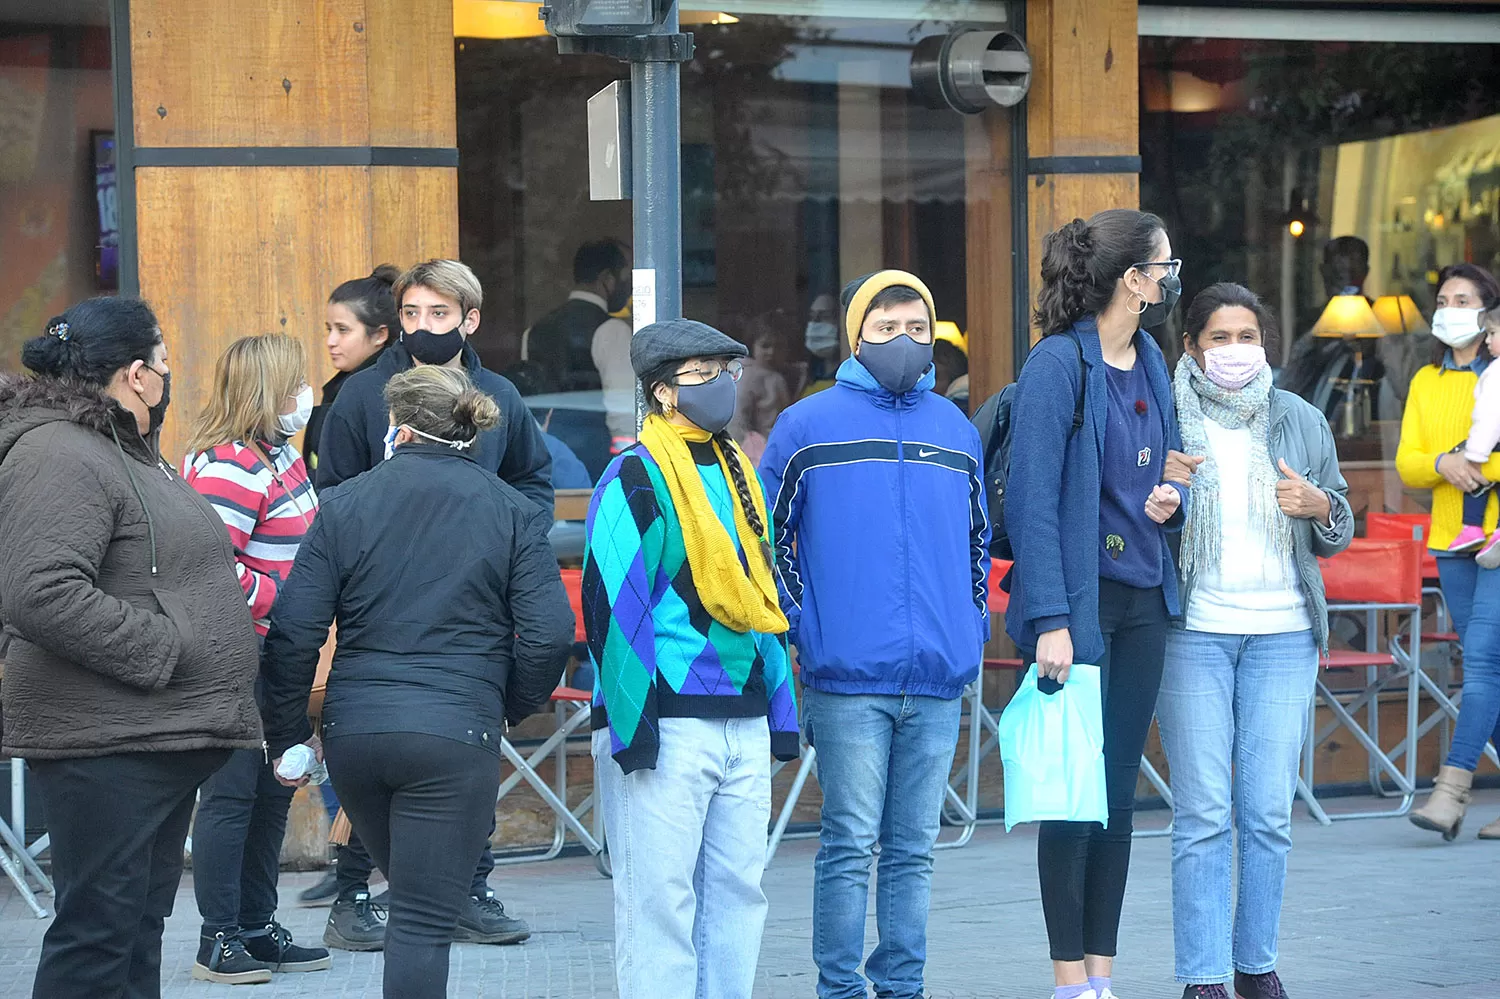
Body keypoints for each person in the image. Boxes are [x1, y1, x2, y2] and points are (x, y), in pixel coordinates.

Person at [260, 365, 574, 999]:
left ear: (396, 430)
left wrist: (291, 731)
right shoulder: (511, 509)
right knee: (423, 921)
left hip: (357, 733)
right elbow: (548, 637)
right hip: (457, 730)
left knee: (411, 902)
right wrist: (503, 704)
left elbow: (293, 632)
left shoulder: (344, 504)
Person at [0, 298, 263, 998]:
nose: (172, 378)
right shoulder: (58, 452)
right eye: (168, 362)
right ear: (139, 374)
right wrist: (165, 647)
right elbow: (40, 589)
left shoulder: (123, 451)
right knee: (96, 939)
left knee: (133, 932)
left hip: (150, 737)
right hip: (106, 744)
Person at [760, 270, 989, 999]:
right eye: (887, 327)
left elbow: (979, 538)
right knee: (850, 844)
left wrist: (970, 625)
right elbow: (768, 537)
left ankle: (903, 986)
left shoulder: (956, 429)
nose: (903, 340)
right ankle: (840, 988)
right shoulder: (807, 423)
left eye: (917, 328)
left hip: (937, 676)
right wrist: (803, 624)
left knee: (914, 849)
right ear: (858, 334)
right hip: (846, 675)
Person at [313, 257, 550, 945]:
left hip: (475, 606)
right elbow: (333, 489)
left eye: (439, 315)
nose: (423, 328)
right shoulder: (361, 395)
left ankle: (469, 891)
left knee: (470, 752)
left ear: (469, 319)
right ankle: (352, 894)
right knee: (379, 749)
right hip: (378, 606)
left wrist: (515, 543)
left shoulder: (499, 393)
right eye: (412, 315)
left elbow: (533, 480)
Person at [585, 318, 799, 999]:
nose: (721, 385)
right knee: (658, 907)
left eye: (725, 371)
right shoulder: (634, 475)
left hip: (742, 720)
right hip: (669, 723)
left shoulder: (740, 470)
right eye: (702, 373)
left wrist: (779, 709)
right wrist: (632, 727)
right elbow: (615, 607)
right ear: (662, 391)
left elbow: (762, 594)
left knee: (739, 899)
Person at [1004, 209, 1186, 999]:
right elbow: (1033, 503)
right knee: (1070, 795)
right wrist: (1050, 619)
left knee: (1116, 794)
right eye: (1165, 265)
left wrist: (1168, 495)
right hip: (1078, 606)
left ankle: (1103, 974)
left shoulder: (1149, 354)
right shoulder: (1056, 363)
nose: (1173, 276)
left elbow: (1151, 470)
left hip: (1145, 594)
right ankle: (1068, 979)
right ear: (1132, 280)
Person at [1156, 283, 1353, 999]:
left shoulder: (1299, 417)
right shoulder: (1166, 421)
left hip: (1284, 634)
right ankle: (1205, 974)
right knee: (1204, 808)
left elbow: (1338, 522)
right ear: (1191, 345)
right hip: (1195, 633)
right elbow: (1140, 519)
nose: (1235, 350)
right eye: (1219, 337)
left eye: (1248, 336)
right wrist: (1163, 502)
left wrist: (1321, 504)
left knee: (1268, 809)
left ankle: (1255, 961)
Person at [180, 334, 329, 984]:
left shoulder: (281, 458)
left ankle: (257, 925)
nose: (307, 394)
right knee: (233, 791)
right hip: (237, 652)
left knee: (274, 789)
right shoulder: (228, 464)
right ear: (267, 389)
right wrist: (284, 599)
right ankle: (218, 938)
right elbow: (209, 567)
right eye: (297, 381)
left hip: (281, 651)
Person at [1399, 262, 1500, 841]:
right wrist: (1444, 463)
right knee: (1486, 664)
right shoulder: (1425, 381)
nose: (1450, 307)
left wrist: (1475, 464)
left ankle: (1450, 791)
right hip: (1450, 539)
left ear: (1487, 315)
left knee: (1484, 661)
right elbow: (1408, 462)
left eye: (1464, 298)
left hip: (1495, 537)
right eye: (1443, 297)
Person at [304, 265, 397, 474]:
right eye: (329, 329)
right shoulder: (340, 386)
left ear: (380, 335)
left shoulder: (386, 393)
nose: (331, 341)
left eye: (343, 330)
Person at [1447, 307, 1500, 564]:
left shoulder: (1496, 372)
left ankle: (1471, 526)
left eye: (1492, 333)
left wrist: (1475, 454)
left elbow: (1489, 416)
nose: (1487, 340)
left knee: (1469, 468)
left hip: (1493, 442)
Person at [729, 315, 792, 464]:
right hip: (757, 454)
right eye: (765, 345)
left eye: (779, 346)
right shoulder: (755, 376)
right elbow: (737, 421)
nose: (772, 352)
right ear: (752, 345)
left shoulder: (738, 371)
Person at [798, 291, 841, 398]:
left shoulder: (850, 371)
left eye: (825, 316)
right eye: (812, 316)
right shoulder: (809, 370)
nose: (815, 322)